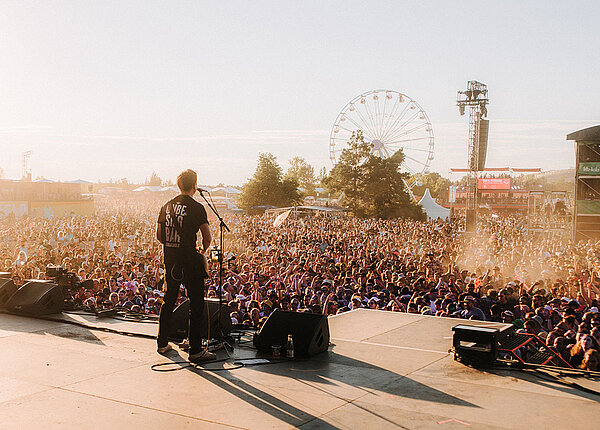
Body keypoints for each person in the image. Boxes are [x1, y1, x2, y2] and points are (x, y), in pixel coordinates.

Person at [156, 169, 214, 362]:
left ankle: (162, 343)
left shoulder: (166, 206)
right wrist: (202, 251)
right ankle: (195, 350)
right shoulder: (197, 208)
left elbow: (159, 236)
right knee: (196, 304)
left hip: (170, 260)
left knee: (169, 299)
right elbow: (207, 237)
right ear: (194, 185)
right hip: (189, 260)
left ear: (178, 185)